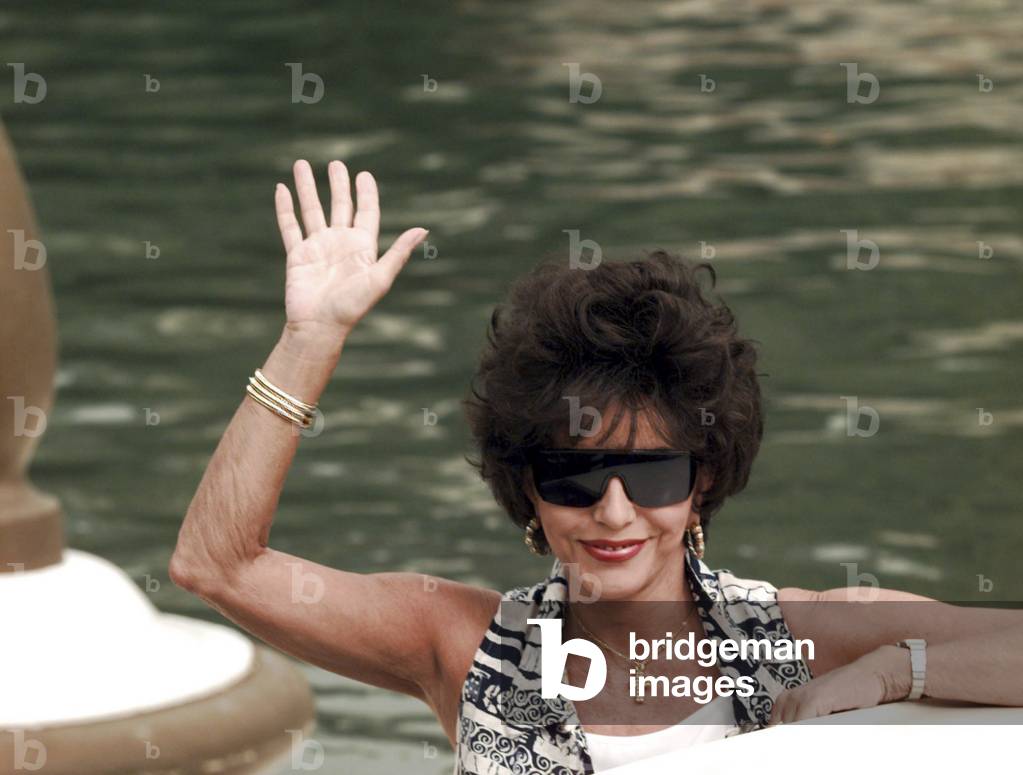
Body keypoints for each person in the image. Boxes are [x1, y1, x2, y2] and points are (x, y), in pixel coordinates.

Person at [170, 160, 1023, 775]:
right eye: (575, 476)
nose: (614, 511)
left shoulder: (800, 636)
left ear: (702, 483)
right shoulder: (459, 645)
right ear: (528, 493)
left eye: (651, 474)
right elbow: (216, 564)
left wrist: (887, 669)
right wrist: (310, 338)